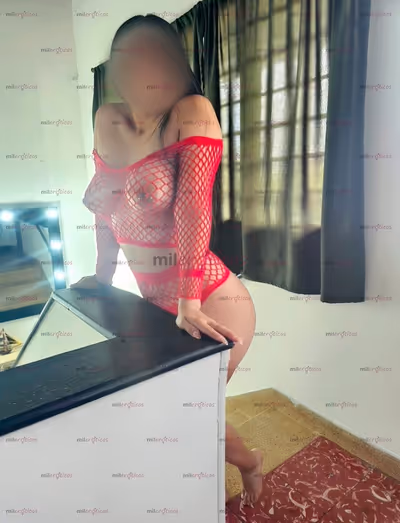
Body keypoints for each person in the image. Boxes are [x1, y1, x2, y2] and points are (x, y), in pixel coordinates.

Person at [71, 14, 263, 505]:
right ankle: (213, 483)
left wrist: (188, 300)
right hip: (158, 306)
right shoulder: (107, 119)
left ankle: (240, 471)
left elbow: (194, 206)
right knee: (177, 411)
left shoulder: (192, 111)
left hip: (210, 301)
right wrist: (101, 277)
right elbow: (106, 210)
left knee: (189, 411)